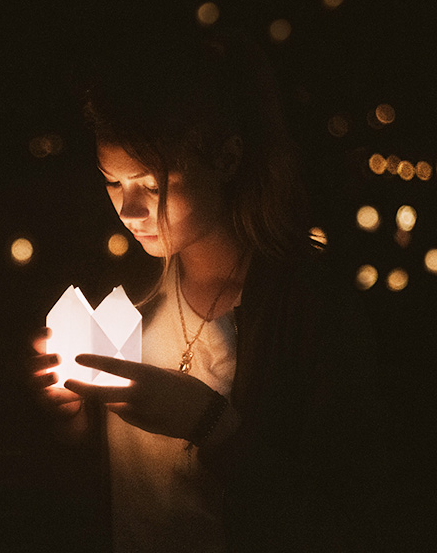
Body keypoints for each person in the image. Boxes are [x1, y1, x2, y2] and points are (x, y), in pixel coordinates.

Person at [28, 27, 391, 552]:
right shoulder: (124, 300)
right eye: (113, 182)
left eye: (152, 184)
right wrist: (69, 422)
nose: (129, 212)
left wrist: (208, 423)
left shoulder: (307, 309)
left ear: (226, 158)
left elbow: (345, 510)